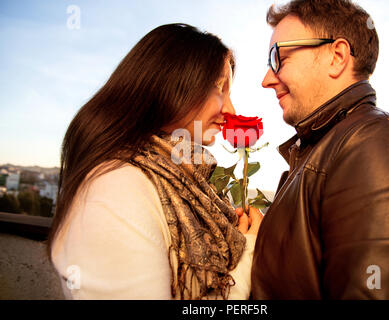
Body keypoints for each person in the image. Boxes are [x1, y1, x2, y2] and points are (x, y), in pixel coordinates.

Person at [47, 23, 263, 300]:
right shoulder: (116, 189)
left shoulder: (176, 178)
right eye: (218, 88)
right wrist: (249, 254)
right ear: (170, 85)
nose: (230, 110)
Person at [252, 0, 389, 299]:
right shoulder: (328, 149)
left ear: (337, 57)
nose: (267, 79)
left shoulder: (378, 147)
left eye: (278, 57)